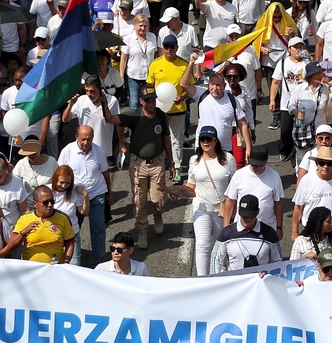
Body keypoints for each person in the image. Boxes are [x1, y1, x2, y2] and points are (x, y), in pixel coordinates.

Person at [170, 127, 235, 275]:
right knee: (202, 246)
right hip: (201, 209)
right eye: (202, 139)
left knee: (222, 244)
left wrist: (234, 208)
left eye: (209, 139)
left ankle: (223, 273)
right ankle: (202, 278)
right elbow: (191, 184)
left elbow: (235, 184)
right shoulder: (194, 160)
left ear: (216, 141)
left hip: (222, 210)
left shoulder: (228, 158)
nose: (205, 142)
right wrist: (178, 193)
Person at [116, 90, 172, 250]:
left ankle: (158, 215)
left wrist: (171, 162)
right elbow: (114, 120)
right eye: (148, 100)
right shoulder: (135, 115)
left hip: (157, 163)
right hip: (138, 164)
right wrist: (121, 143)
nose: (151, 103)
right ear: (141, 101)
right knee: (139, 201)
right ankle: (142, 231)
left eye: (153, 100)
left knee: (159, 199)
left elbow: (166, 139)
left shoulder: (161, 116)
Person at [213, 195, 283, 273]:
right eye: (244, 216)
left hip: (261, 280)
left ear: (258, 212)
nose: (247, 220)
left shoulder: (269, 232)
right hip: (235, 280)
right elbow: (216, 259)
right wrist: (214, 278)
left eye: (251, 216)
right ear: (238, 211)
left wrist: (268, 275)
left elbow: (277, 261)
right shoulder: (227, 232)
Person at [10, 184, 76, 262]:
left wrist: (65, 263)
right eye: (45, 202)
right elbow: (12, 245)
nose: (50, 205)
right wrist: (24, 232)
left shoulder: (63, 218)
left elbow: (70, 244)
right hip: (31, 267)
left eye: (52, 201)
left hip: (55, 267)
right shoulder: (24, 219)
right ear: (35, 203)